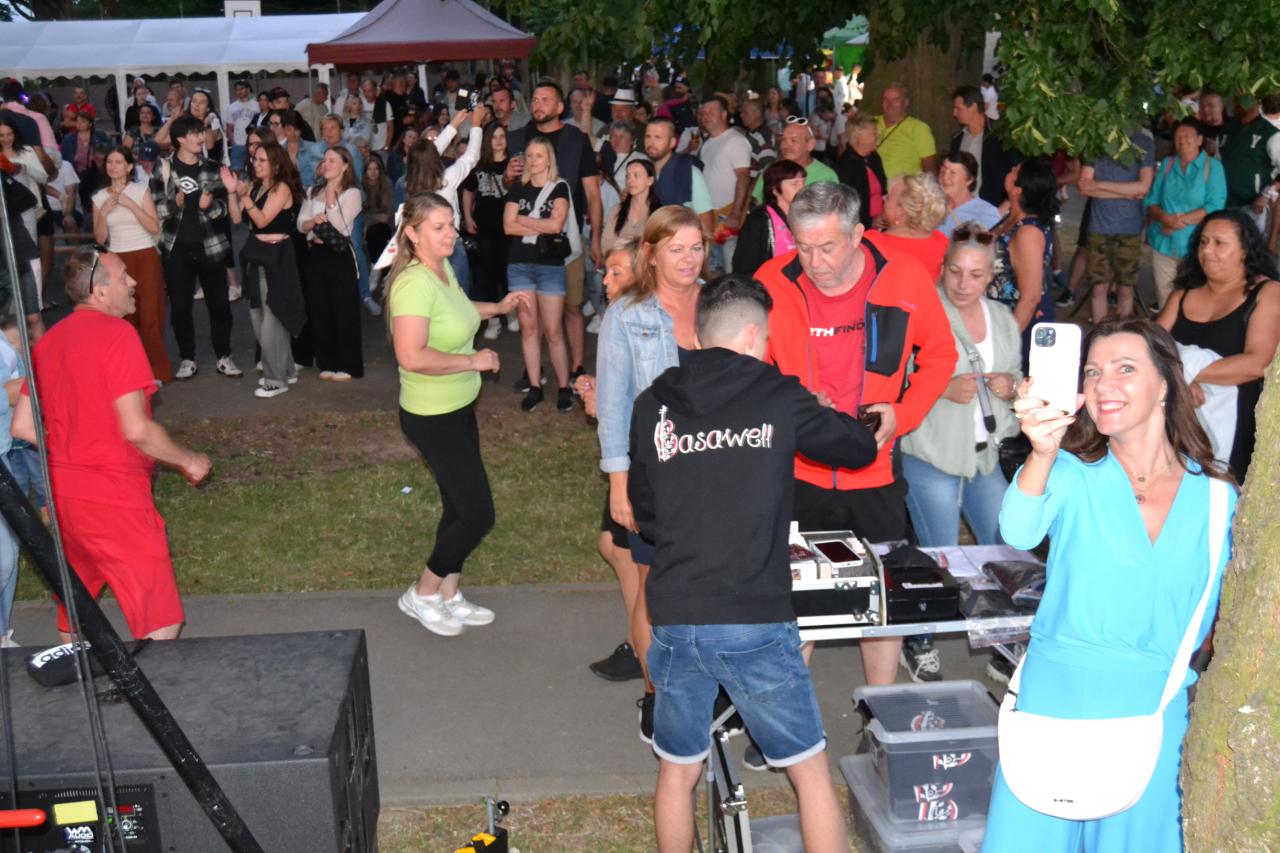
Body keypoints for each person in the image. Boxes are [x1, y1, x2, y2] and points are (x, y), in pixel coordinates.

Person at [629, 274, 871, 853]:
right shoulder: (777, 395)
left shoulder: (652, 403)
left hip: (675, 613)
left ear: (698, 335)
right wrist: (823, 412)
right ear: (752, 337)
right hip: (752, 617)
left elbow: (647, 514)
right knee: (808, 770)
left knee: (678, 769)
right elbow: (857, 448)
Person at [983, 320, 1238, 853]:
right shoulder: (1071, 471)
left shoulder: (1218, 496)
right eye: (1093, 372)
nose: (1103, 385)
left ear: (1165, 383)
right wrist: (1042, 451)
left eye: (1125, 369)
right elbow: (1017, 530)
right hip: (1054, 705)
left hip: (1152, 712)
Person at [755, 182, 955, 708]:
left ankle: (879, 712)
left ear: (858, 234)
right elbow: (748, 364)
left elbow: (940, 354)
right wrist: (789, 399)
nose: (815, 262)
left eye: (827, 247)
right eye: (803, 247)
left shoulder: (902, 277)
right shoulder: (771, 281)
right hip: (798, 472)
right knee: (796, 600)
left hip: (875, 472)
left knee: (879, 599)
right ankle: (787, 720)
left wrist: (903, 413)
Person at [10, 247, 212, 642]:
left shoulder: (48, 342)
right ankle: (152, 684)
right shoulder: (119, 335)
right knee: (159, 619)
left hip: (65, 498)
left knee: (78, 611)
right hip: (115, 497)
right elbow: (137, 430)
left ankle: (79, 674)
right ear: (100, 292)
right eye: (123, 277)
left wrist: (70, 446)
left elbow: (22, 426)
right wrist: (189, 460)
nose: (133, 282)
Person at [387, 193, 528, 636]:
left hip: (459, 406)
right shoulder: (413, 284)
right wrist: (473, 361)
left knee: (457, 505)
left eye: (451, 224)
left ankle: (450, 594)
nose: (451, 234)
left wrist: (498, 308)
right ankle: (423, 592)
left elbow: (458, 312)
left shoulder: (442, 269)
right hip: (431, 415)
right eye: (439, 227)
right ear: (413, 234)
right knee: (477, 514)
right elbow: (411, 355)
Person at [596, 205, 706, 742]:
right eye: (675, 248)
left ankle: (706, 687)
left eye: (696, 247)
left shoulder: (720, 303)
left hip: (717, 470)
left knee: (709, 582)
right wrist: (619, 487)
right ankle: (655, 693)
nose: (688, 259)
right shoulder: (627, 315)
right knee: (652, 587)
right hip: (653, 474)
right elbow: (613, 405)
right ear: (651, 254)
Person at [901, 224, 1021, 550]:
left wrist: (1011, 386)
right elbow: (892, 379)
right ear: (942, 268)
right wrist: (940, 388)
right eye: (955, 272)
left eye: (975, 274)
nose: (963, 284)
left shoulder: (1002, 318)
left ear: (990, 277)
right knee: (944, 555)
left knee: (1009, 550)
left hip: (985, 458)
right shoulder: (918, 312)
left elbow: (1017, 376)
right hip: (930, 456)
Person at [1156, 209, 1280, 482]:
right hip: (1176, 419)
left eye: (1219, 243)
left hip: (1239, 425)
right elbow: (1148, 346)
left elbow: (1258, 363)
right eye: (1203, 242)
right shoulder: (1182, 294)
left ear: (1245, 250)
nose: (1207, 251)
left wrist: (1182, 372)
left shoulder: (1267, 293)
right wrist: (1181, 381)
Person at [507, 81, 604, 385]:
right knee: (532, 313)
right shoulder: (520, 137)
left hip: (566, 238)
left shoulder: (576, 140)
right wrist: (508, 175)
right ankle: (534, 371)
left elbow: (593, 194)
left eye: (545, 99)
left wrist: (596, 238)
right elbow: (510, 188)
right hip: (526, 240)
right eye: (535, 99)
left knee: (573, 307)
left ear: (560, 107)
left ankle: (576, 368)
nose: (538, 104)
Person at [149, 114, 241, 381]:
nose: (201, 137)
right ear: (180, 139)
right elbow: (155, 208)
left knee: (219, 304)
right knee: (180, 307)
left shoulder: (213, 168)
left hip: (210, 245)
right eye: (195, 133)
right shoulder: (163, 168)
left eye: (202, 132)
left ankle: (224, 355)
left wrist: (208, 207)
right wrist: (174, 204)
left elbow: (225, 209)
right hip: (176, 247)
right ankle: (187, 358)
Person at [221, 142, 307, 398]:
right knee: (258, 317)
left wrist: (245, 196)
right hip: (256, 257)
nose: (255, 164)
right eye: (255, 159)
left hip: (277, 259)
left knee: (273, 319)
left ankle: (276, 380)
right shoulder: (257, 186)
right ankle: (287, 370)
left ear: (276, 165)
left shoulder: (282, 188)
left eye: (262, 160)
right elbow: (238, 219)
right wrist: (232, 193)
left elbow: (262, 220)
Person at [504, 136, 576, 413]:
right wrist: (539, 224)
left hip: (549, 266)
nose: (533, 161)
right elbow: (507, 227)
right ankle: (535, 385)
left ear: (549, 160)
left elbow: (556, 225)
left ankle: (564, 386)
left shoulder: (559, 187)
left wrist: (522, 219)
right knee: (528, 328)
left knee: (553, 330)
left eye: (539, 156)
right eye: (529, 156)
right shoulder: (517, 188)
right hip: (519, 265)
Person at [92, 146, 169, 383]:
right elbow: (100, 239)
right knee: (123, 314)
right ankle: (129, 371)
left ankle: (156, 369)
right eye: (109, 162)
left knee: (150, 312)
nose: (113, 166)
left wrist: (130, 204)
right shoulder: (99, 197)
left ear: (128, 167)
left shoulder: (140, 190)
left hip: (145, 254)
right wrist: (103, 213)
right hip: (117, 259)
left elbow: (154, 227)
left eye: (118, 162)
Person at [1144, 118, 1227, 309]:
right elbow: (1151, 200)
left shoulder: (1213, 167)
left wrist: (1177, 221)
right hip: (1163, 244)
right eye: (1178, 137)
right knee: (1165, 299)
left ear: (1199, 140)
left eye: (1188, 136)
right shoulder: (1167, 164)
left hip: (1196, 246)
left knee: (1193, 301)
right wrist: (1164, 218)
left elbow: (1215, 206)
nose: (1182, 141)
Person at [297, 146, 364, 383]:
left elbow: (340, 226)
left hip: (339, 254)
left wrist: (332, 202)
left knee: (343, 309)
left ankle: (348, 364)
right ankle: (326, 361)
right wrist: (312, 222)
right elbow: (301, 224)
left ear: (345, 166)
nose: (326, 164)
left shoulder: (352, 193)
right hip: (316, 253)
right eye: (325, 160)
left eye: (332, 160)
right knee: (319, 308)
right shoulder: (313, 191)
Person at [1078, 130, 1156, 321]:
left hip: (1130, 228)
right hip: (1099, 226)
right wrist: (1127, 193)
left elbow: (1143, 187)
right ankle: (1099, 334)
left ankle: (1121, 334)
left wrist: (1099, 185)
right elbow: (1084, 187)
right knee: (1098, 288)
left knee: (1125, 288)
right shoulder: (1095, 141)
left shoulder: (1143, 142)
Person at [990, 158, 1059, 353]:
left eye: (1015, 171)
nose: (1011, 169)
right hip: (999, 317)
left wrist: (1004, 346)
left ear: (1018, 190)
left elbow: (1031, 298)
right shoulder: (1012, 215)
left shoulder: (1027, 233)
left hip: (1020, 327)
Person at [697, 96, 752, 270]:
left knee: (728, 268)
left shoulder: (736, 141)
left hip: (725, 216)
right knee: (711, 266)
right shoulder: (707, 143)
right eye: (703, 113)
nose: (705, 116)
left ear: (724, 114)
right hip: (709, 216)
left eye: (710, 112)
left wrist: (735, 213)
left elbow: (743, 177)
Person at [948, 84, 1022, 207]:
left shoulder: (1000, 136)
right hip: (961, 207)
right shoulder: (957, 139)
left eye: (958, 109)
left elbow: (1018, 172)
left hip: (993, 207)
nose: (954, 113)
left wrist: (1006, 204)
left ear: (974, 107)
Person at [867, 172, 950, 278]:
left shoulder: (873, 242)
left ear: (902, 211)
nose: (883, 198)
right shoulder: (941, 241)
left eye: (888, 197)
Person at [1218, 94, 1280, 234]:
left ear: (1257, 103)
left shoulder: (1271, 133)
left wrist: (1266, 194)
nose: (1238, 104)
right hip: (1225, 202)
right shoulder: (1227, 129)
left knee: (1252, 244)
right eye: (1237, 100)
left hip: (1253, 205)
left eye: (1244, 100)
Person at [732, 158, 804, 276]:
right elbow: (744, 266)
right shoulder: (759, 220)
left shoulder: (806, 216)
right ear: (775, 189)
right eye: (795, 184)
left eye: (803, 182)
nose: (802, 188)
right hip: (769, 283)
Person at [642, 118, 714, 236]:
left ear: (672, 143)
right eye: (648, 137)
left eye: (657, 137)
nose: (651, 142)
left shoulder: (689, 172)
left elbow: (707, 224)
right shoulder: (644, 172)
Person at [750, 117, 838, 204]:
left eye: (793, 141)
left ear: (810, 145)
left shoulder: (826, 176)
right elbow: (759, 204)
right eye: (783, 140)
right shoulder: (772, 170)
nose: (786, 146)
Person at [833, 113, 887, 230]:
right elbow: (845, 206)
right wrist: (870, 222)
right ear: (859, 137)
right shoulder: (846, 165)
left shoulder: (874, 157)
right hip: (859, 229)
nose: (878, 135)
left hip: (880, 225)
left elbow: (883, 190)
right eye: (873, 133)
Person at [875, 84, 937, 180]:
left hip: (904, 188)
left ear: (905, 103)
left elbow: (930, 170)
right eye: (885, 99)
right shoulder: (870, 123)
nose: (890, 104)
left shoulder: (919, 128)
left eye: (895, 100)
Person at [602, 158, 660, 256]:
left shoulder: (659, 213)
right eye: (627, 176)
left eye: (636, 175)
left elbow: (657, 249)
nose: (630, 180)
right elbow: (606, 244)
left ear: (650, 181)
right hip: (617, 262)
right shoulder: (617, 210)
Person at [938, 151, 1002, 237]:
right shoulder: (930, 206)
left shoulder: (985, 213)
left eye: (952, 173)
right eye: (942, 171)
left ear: (969, 180)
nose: (945, 177)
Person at [224, 79, 259, 172]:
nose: (239, 91)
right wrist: (233, 143)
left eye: (242, 88)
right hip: (238, 144)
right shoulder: (231, 107)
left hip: (255, 144)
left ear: (248, 90)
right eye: (237, 89)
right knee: (236, 170)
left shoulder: (257, 105)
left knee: (255, 170)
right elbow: (229, 128)